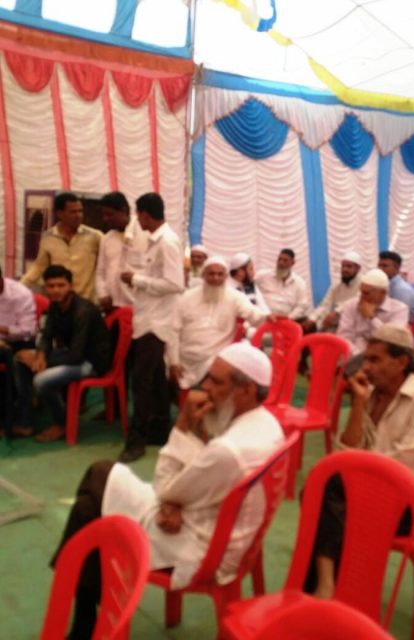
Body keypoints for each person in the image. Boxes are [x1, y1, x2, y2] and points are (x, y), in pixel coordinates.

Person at [51, 342, 284, 640]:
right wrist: (176, 500)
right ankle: (84, 614)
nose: (205, 387)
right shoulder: (268, 424)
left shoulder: (229, 451)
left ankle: (81, 605)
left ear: (247, 390)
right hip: (217, 526)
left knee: (98, 476)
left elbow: (165, 487)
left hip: (197, 546)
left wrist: (183, 424)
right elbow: (201, 476)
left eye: (216, 382)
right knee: (89, 505)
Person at [308, 324, 414, 598]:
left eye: (375, 359)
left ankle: (326, 589)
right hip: (373, 491)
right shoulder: (372, 395)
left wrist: (352, 475)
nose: (366, 367)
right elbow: (347, 449)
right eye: (366, 359)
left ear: (401, 362)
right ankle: (329, 590)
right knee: (320, 493)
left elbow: (408, 465)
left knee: (329, 496)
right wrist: (358, 403)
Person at [119, 192, 184, 463]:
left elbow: (175, 284)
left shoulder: (167, 242)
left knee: (141, 381)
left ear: (145, 215)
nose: (138, 220)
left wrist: (137, 280)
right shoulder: (155, 240)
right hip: (148, 319)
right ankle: (159, 430)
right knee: (156, 380)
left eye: (139, 215)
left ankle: (137, 440)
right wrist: (139, 279)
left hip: (157, 322)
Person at [16, 265, 111, 442]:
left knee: (41, 380)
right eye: (51, 286)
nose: (56, 290)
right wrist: (40, 356)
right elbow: (47, 335)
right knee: (21, 358)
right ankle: (25, 421)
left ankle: (62, 423)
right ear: (45, 288)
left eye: (61, 285)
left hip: (92, 362)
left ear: (71, 286)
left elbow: (76, 355)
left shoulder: (82, 311)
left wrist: (43, 362)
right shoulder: (55, 306)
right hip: (73, 355)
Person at [169, 256, 272, 390]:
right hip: (186, 359)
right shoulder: (186, 298)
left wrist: (269, 317)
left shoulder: (235, 297)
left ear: (225, 277)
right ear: (203, 275)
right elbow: (173, 331)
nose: (216, 278)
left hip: (215, 358)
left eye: (220, 274)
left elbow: (254, 316)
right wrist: (173, 363)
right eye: (211, 274)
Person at [22, 192, 103, 302]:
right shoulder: (48, 237)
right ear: (60, 214)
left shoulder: (95, 237)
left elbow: (106, 267)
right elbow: (39, 266)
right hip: (59, 302)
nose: (78, 215)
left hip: (87, 302)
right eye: (73, 212)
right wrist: (19, 285)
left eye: (80, 211)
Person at [95, 191, 148, 313]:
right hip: (111, 306)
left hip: (138, 306)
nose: (106, 219)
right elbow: (100, 272)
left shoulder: (145, 234)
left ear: (124, 211)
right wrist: (102, 293)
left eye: (110, 214)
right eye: (104, 215)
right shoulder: (107, 238)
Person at [0, 266, 37, 436]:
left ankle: (23, 420)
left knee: (18, 364)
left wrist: (3, 329)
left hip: (20, 341)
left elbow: (29, 330)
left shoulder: (20, 294)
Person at [337, 268, 409, 355]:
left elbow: (393, 341)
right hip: (354, 356)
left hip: (385, 358)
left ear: (383, 293)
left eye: (366, 293)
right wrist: (360, 357)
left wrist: (371, 318)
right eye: (361, 292)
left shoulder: (399, 309)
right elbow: (344, 338)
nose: (361, 297)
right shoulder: (352, 305)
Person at [302, 250, 362, 334]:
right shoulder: (337, 286)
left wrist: (336, 312)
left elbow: (356, 301)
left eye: (349, 266)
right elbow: (325, 305)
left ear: (358, 269)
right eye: (343, 266)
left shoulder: (364, 284)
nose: (344, 269)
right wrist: (312, 318)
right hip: (334, 325)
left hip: (354, 326)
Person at [255, 249, 309, 320]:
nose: (281, 263)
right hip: (263, 318)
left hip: (286, 320)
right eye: (279, 259)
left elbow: (302, 305)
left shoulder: (299, 283)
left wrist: (289, 317)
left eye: (285, 260)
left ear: (293, 263)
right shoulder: (262, 276)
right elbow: (247, 286)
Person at [378, 250, 414, 323]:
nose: (380, 269)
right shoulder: (388, 285)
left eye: (384, 266)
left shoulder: (402, 290)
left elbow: (400, 318)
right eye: (379, 266)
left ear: (397, 268)